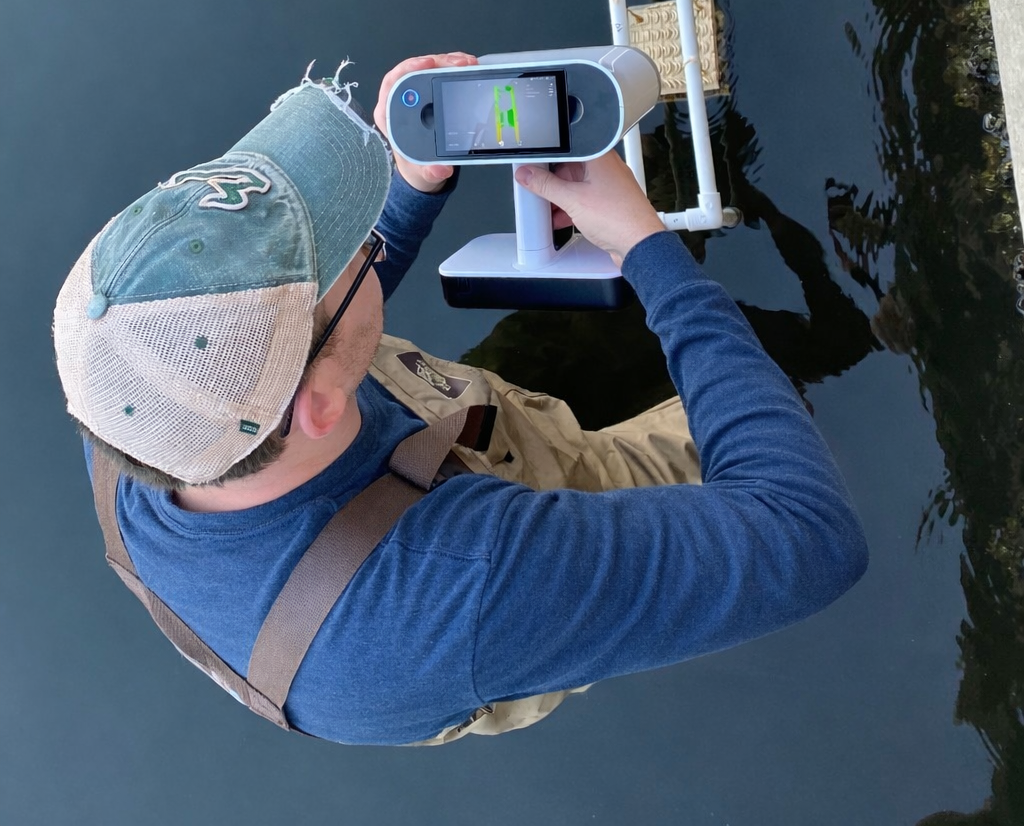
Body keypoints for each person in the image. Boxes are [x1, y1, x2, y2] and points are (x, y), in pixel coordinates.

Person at [53, 51, 868, 746]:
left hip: (395, 468)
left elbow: (295, 344)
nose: (357, 236)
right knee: (768, 423)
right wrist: (646, 247)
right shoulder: (457, 591)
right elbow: (807, 538)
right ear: (320, 409)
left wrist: (411, 186)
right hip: (450, 608)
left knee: (499, 374)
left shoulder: (128, 376)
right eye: (340, 248)